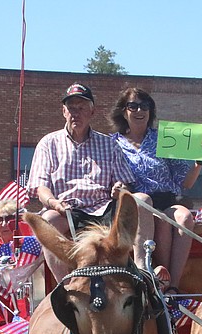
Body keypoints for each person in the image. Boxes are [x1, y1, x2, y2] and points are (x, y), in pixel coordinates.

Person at [109, 87, 202, 284]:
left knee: (185, 217)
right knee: (149, 207)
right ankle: (148, 273)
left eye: (144, 106)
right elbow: (106, 178)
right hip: (134, 204)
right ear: (123, 111)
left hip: (167, 200)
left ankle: (172, 285)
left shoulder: (165, 138)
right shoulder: (112, 143)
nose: (140, 111)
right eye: (133, 106)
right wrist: (115, 188)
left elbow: (186, 183)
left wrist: (200, 161)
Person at [26, 83, 138, 262]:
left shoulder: (109, 144)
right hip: (66, 210)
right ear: (64, 111)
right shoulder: (48, 143)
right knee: (48, 221)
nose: (75, 113)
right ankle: (65, 283)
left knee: (137, 205)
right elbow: (40, 187)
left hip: (104, 210)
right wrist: (54, 203)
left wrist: (120, 188)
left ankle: (142, 271)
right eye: (71, 108)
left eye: (81, 107)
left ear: (92, 112)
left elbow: (125, 183)